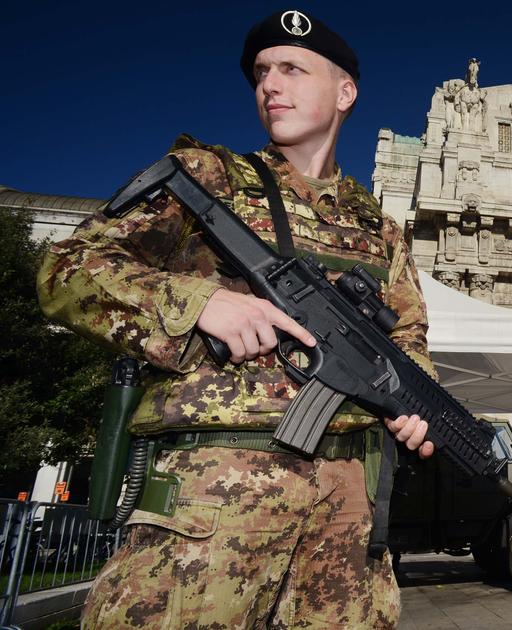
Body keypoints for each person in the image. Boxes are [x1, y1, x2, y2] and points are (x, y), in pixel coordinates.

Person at [38, 10, 436, 628]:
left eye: (292, 69)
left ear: (345, 92)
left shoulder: (379, 229)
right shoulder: (212, 178)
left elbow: (409, 340)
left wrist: (416, 408)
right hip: (214, 502)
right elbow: (67, 269)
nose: (270, 86)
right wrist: (199, 304)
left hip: (347, 514)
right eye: (261, 73)